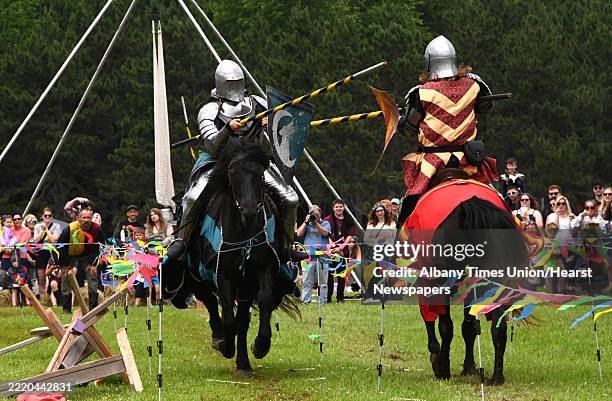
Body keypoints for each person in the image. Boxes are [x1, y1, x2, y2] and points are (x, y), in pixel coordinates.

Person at [173, 59, 306, 264]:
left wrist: (270, 125)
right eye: (230, 82)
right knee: (192, 198)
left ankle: (288, 246)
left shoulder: (258, 103)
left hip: (253, 162)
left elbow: (280, 135)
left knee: (290, 198)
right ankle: (181, 242)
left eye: (238, 81)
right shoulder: (209, 110)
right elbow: (212, 146)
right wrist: (227, 130)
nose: (235, 87)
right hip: (220, 163)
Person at [396, 35, 497, 223]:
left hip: (433, 164)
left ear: (429, 64)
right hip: (467, 162)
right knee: (498, 201)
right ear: (454, 61)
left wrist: (398, 119)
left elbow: (408, 131)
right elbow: (486, 108)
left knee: (407, 210)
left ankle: (399, 247)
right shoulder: (474, 84)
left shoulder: (422, 92)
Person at [57, 208, 104, 313]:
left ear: (91, 218)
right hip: (70, 255)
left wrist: (94, 263)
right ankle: (66, 310)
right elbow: (60, 247)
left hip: (88, 256)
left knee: (92, 279)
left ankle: (93, 309)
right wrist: (64, 264)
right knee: (66, 278)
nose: (86, 220)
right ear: (79, 218)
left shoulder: (97, 229)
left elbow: (101, 247)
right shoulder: (69, 229)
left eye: (88, 218)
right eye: (84, 217)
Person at [295, 205, 331, 304]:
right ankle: (306, 301)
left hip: (323, 256)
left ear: (320, 214)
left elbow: (325, 233)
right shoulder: (307, 224)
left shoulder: (325, 223)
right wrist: (306, 222)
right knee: (306, 281)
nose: (315, 216)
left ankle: (323, 301)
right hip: (308, 257)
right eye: (313, 214)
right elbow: (298, 234)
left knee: (323, 282)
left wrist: (316, 224)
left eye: (317, 214)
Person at [324, 199, 355, 303]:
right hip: (330, 251)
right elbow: (326, 234)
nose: (339, 208)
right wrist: (333, 246)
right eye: (336, 206)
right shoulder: (327, 220)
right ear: (333, 208)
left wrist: (341, 247)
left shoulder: (349, 220)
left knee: (341, 275)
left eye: (340, 206)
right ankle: (328, 297)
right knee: (330, 275)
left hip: (343, 251)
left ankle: (340, 297)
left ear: (344, 207)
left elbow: (350, 235)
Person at [33, 207, 61, 298]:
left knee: (53, 277)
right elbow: (36, 241)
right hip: (41, 253)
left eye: (50, 215)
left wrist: (47, 230)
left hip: (52, 253)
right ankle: (43, 298)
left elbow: (54, 240)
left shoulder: (56, 226)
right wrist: (42, 230)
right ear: (42, 216)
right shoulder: (37, 226)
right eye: (46, 215)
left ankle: (53, 298)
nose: (47, 217)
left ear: (52, 217)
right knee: (41, 278)